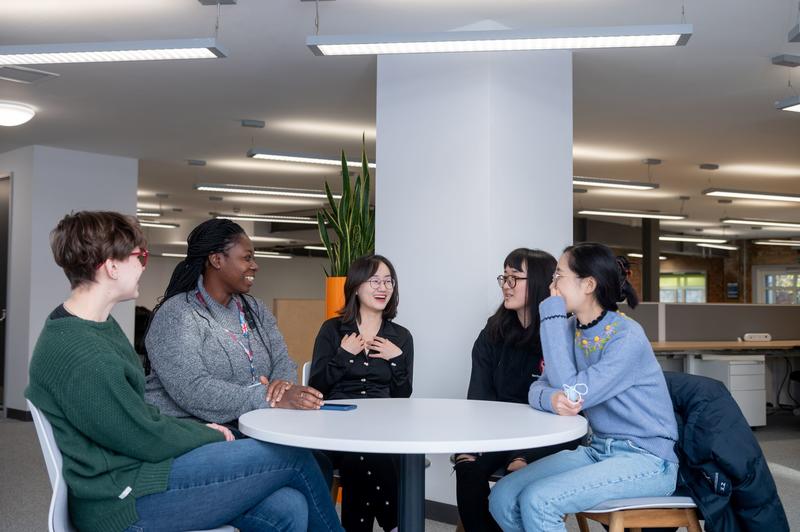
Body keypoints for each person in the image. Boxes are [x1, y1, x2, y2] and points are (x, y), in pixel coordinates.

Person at [25, 211, 343, 532]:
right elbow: (142, 435)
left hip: (144, 472)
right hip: (123, 500)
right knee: (294, 458)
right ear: (112, 267)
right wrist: (209, 433)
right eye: (140, 256)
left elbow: (139, 420)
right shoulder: (82, 351)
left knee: (288, 508)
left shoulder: (93, 327)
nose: (143, 266)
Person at [489, 242, 679, 532]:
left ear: (588, 284)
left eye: (558, 277)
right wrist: (552, 398)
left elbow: (574, 392)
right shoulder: (568, 329)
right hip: (597, 448)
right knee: (502, 496)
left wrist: (550, 316)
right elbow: (538, 387)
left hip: (646, 459)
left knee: (539, 501)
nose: (551, 287)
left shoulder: (626, 336)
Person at [454, 248, 581, 532]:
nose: (506, 286)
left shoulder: (560, 332)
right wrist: (473, 443)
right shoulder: (493, 331)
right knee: (467, 464)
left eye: (515, 279)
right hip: (499, 430)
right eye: (504, 278)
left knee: (518, 468)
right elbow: (479, 395)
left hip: (548, 433)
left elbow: (568, 399)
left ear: (536, 282)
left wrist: (520, 453)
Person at [309, 254, 413, 532]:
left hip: (383, 426)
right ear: (356, 286)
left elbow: (403, 395)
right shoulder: (332, 330)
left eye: (388, 281)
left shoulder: (401, 336)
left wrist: (396, 359)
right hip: (337, 427)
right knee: (362, 452)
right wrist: (343, 355)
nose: (383, 287)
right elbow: (317, 387)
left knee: (363, 455)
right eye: (375, 280)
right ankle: (398, 524)